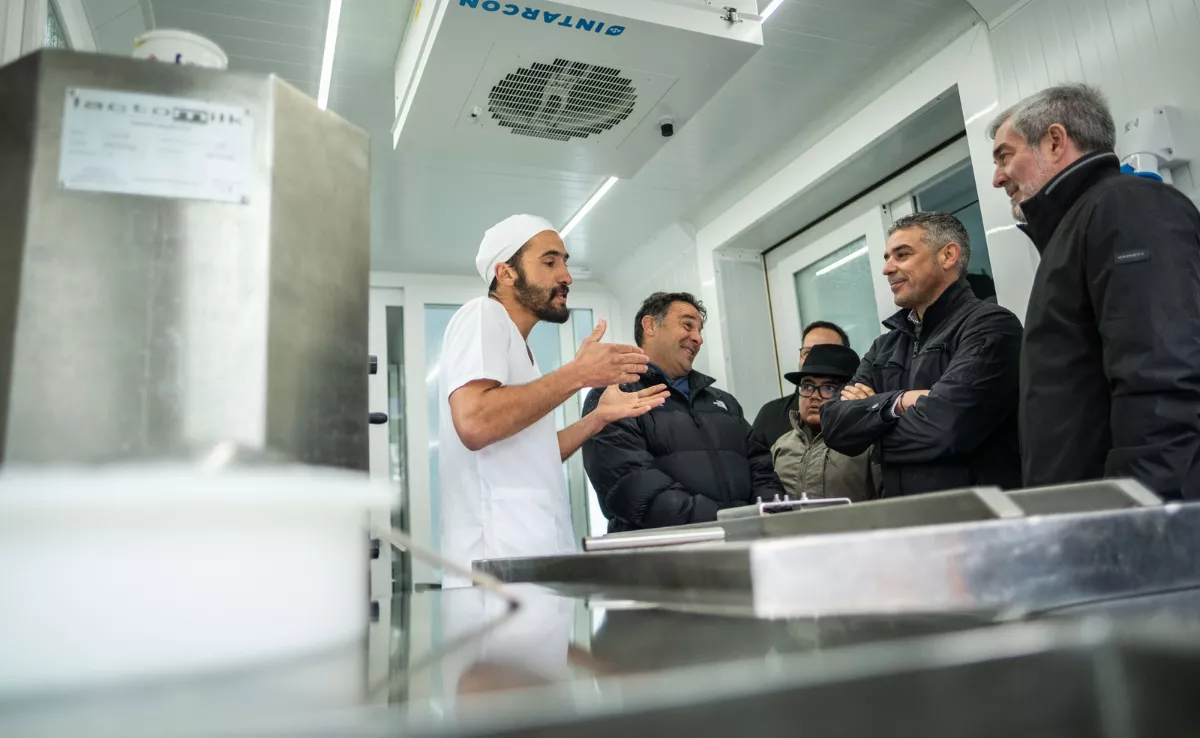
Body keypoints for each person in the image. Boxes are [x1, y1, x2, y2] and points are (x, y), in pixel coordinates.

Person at [988, 83, 1200, 499]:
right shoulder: (1077, 228)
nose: (997, 178)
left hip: (1135, 521)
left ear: (1054, 141)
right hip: (1085, 515)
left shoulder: (1126, 207)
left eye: (1004, 156)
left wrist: (1140, 519)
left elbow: (1163, 380)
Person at [439, 214, 670, 587]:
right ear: (506, 273)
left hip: (530, 562)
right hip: (494, 570)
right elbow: (474, 423)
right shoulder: (482, 316)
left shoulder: (523, 353)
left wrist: (598, 418)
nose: (566, 276)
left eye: (564, 261)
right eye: (549, 262)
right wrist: (578, 374)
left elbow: (535, 453)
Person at [821, 212, 1023, 497]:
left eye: (902, 255)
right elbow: (834, 427)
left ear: (948, 256)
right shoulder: (884, 346)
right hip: (907, 524)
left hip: (976, 522)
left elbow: (946, 429)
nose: (887, 269)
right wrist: (899, 402)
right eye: (887, 257)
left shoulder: (991, 326)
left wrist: (872, 429)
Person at [581, 292, 784, 531]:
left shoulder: (724, 402)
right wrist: (726, 523)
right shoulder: (614, 397)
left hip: (741, 546)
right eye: (687, 325)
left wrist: (772, 516)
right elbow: (629, 486)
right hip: (664, 557)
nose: (697, 338)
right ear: (650, 326)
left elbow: (761, 469)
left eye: (700, 331)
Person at [771, 343, 880, 501]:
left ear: (851, 392)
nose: (814, 396)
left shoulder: (868, 445)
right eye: (807, 386)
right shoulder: (781, 446)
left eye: (829, 388)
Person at [750, 321, 850, 451]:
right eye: (808, 353)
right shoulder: (770, 414)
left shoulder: (857, 416)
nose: (814, 359)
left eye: (826, 352)